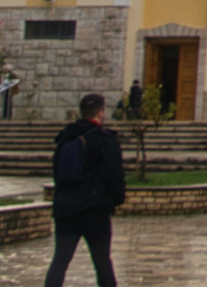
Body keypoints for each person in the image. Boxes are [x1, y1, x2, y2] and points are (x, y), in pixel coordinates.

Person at [44, 92, 126, 287]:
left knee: (60, 260)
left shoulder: (66, 137)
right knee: (102, 261)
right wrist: (116, 199)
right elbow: (114, 175)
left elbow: (57, 172)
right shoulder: (105, 140)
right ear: (100, 113)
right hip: (94, 209)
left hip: (65, 207)